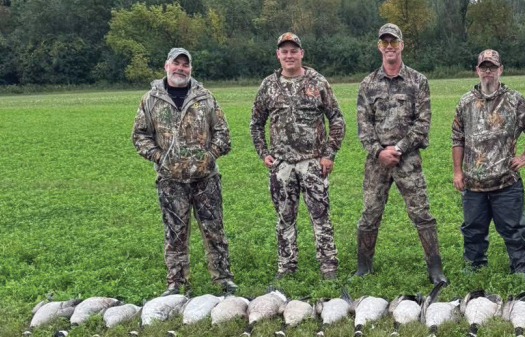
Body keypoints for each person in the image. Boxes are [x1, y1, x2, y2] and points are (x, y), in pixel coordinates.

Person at [132, 47, 237, 295]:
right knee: (175, 233)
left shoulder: (205, 97)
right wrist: (159, 157)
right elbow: (139, 135)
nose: (180, 68)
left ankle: (222, 279)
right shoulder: (151, 99)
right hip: (170, 180)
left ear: (190, 68)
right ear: (166, 66)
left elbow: (223, 133)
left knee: (214, 230)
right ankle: (177, 283)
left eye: (185, 64)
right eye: (176, 63)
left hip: (206, 179)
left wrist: (210, 156)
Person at [250, 32, 346, 282]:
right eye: (284, 51)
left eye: (294, 51)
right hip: (282, 164)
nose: (289, 55)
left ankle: (328, 266)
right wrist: (263, 153)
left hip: (313, 162)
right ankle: (286, 267)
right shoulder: (268, 85)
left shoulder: (318, 82)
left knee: (320, 215)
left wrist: (329, 154)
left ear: (301, 53)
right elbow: (256, 123)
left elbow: (337, 119)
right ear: (278, 55)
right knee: (284, 218)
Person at [355, 23, 446, 284]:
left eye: (393, 42)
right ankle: (363, 267)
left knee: (422, 214)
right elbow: (363, 126)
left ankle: (435, 269)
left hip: (408, 160)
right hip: (377, 162)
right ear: (379, 47)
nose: (389, 47)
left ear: (401, 45)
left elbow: (423, 123)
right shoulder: (368, 84)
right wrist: (378, 152)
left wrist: (399, 148)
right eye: (385, 42)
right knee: (370, 214)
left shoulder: (418, 81)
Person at [451, 50, 525, 276]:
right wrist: (457, 172)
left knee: (514, 230)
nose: (488, 71)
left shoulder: (514, 100)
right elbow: (457, 138)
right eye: (484, 67)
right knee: (472, 230)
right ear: (477, 70)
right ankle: (474, 268)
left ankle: (521, 269)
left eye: (492, 67)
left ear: (500, 70)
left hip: (506, 182)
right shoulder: (465, 102)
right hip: (473, 184)